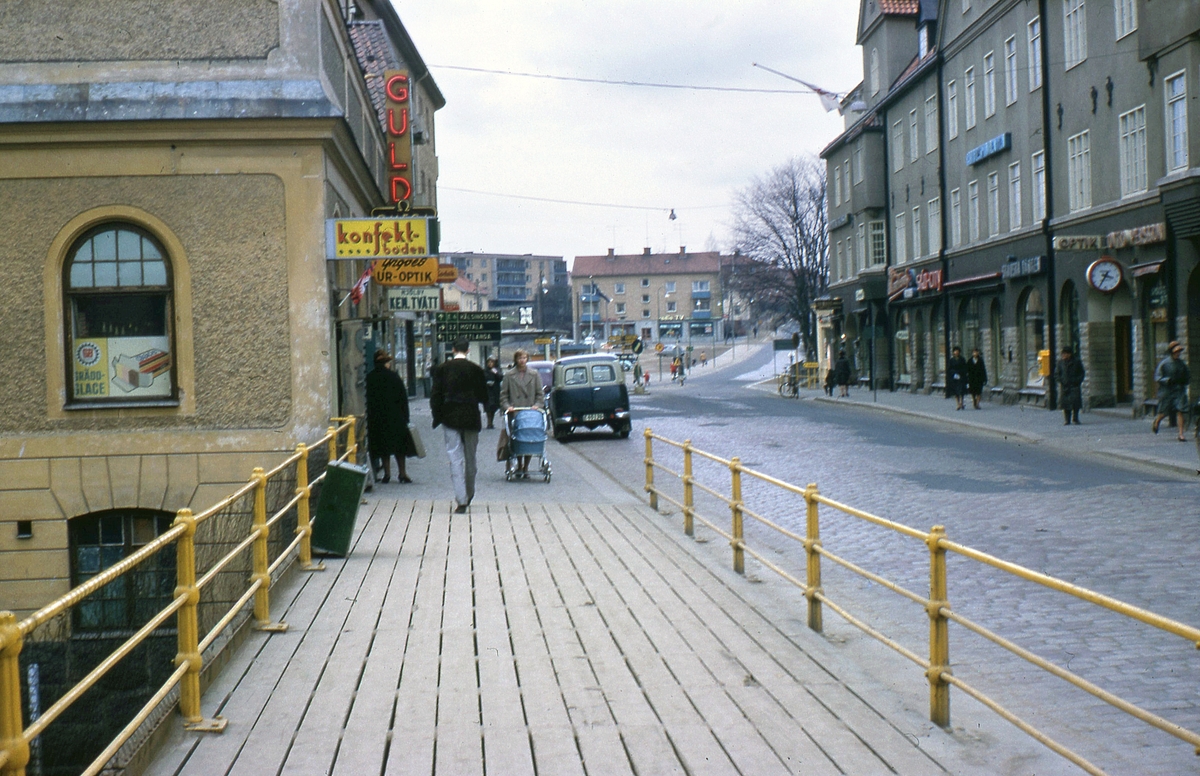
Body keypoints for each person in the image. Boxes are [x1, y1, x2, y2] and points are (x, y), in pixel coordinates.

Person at [430, 338, 489, 513]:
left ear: (453, 349)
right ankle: (470, 492)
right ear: (468, 350)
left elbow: (435, 396)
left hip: (449, 417)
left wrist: (437, 416)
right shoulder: (476, 370)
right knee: (471, 458)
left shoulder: (442, 369)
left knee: (455, 458)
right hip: (471, 417)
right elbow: (483, 396)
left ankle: (461, 498)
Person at [366, 349, 415, 484]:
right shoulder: (394, 377)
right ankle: (402, 473)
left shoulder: (370, 378)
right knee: (400, 448)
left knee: (384, 448)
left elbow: (368, 400)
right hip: (396, 417)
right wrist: (406, 417)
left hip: (378, 418)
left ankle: (387, 473)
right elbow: (403, 398)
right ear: (386, 363)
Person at [499, 349, 544, 477]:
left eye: (524, 358)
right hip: (515, 411)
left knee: (529, 437)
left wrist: (537, 405)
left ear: (527, 359)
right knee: (516, 438)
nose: (522, 360)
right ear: (515, 359)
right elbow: (503, 395)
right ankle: (518, 464)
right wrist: (507, 406)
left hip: (530, 412)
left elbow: (540, 394)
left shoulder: (534, 374)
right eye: (519, 358)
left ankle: (526, 466)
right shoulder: (509, 375)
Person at [1151, 340, 1190, 441]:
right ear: (1171, 352)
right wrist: (1166, 380)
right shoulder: (1164, 363)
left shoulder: (1181, 364)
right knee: (1164, 412)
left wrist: (1185, 381)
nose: (1178, 354)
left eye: (1179, 352)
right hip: (1167, 390)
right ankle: (1157, 421)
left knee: (1180, 410)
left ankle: (1181, 434)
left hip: (1179, 390)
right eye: (1176, 352)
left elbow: (1187, 375)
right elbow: (1157, 377)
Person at [1054, 347, 1085, 426]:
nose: (1063, 355)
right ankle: (1067, 420)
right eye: (1063, 354)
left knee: (1075, 403)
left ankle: (1075, 418)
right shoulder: (1060, 363)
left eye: (1065, 354)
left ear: (1069, 354)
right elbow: (1057, 374)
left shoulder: (1076, 362)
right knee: (1065, 404)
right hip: (1065, 386)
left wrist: (1077, 381)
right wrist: (1061, 381)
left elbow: (1081, 373)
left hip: (1074, 385)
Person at [945, 346, 968, 410]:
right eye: (955, 351)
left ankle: (961, 402)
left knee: (961, 391)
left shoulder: (962, 359)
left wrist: (962, 374)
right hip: (955, 378)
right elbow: (949, 369)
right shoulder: (952, 360)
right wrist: (954, 373)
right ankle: (958, 404)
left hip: (961, 377)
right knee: (956, 392)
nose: (956, 352)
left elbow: (965, 368)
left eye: (957, 351)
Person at [484, 356, 503, 429]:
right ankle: (489, 422)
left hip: (495, 391)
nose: (490, 364)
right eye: (489, 362)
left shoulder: (497, 370)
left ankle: (491, 421)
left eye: (492, 362)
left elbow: (501, 377)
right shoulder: (485, 370)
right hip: (487, 391)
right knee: (488, 407)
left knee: (494, 407)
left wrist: (496, 373)